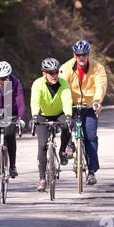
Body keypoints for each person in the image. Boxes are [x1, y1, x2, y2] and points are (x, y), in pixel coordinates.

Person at [60, 40, 108, 185]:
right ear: (74, 55)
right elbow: (62, 85)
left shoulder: (97, 68)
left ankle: (91, 171)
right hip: (71, 103)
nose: (81, 57)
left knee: (91, 137)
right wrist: (65, 103)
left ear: (89, 54)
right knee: (65, 125)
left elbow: (101, 85)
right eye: (79, 54)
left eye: (84, 54)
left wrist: (97, 101)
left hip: (89, 105)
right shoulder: (66, 67)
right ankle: (68, 143)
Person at [31, 58, 73, 192]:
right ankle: (42, 179)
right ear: (44, 74)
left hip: (59, 113)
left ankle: (62, 151)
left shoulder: (64, 83)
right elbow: (35, 101)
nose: (54, 75)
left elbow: (67, 100)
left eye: (56, 72)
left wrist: (68, 115)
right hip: (43, 114)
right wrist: (34, 116)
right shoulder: (37, 84)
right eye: (51, 73)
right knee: (42, 145)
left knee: (67, 126)